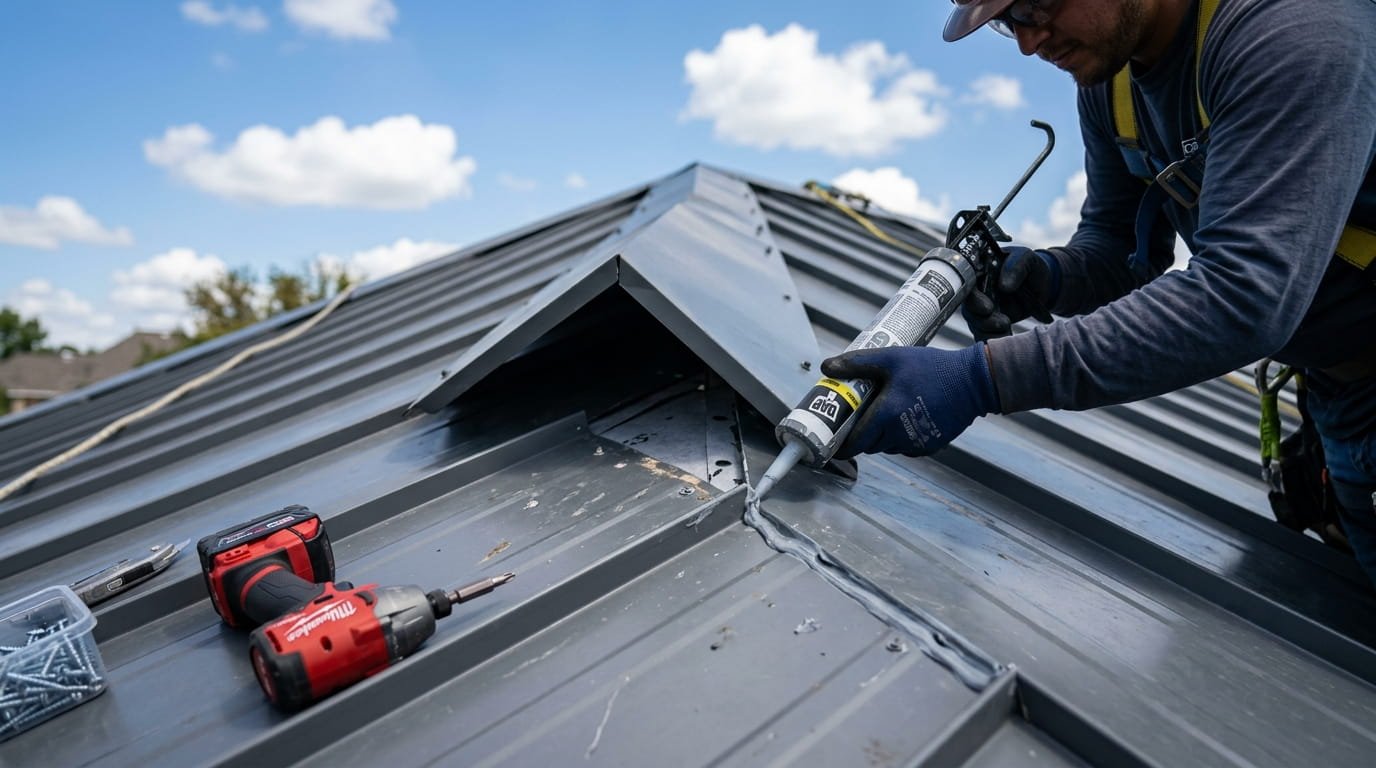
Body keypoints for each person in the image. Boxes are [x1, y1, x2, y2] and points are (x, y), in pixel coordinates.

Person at [820, 0, 1376, 583]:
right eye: (1009, 22)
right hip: (1337, 404)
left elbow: (1242, 296)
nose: (1030, 43)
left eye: (1035, 6)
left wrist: (982, 380)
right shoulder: (1114, 80)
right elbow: (1118, 248)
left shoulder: (1296, 28)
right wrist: (1048, 278)